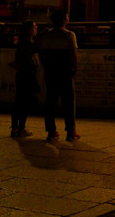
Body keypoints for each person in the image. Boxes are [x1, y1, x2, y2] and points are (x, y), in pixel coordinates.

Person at [38, 9, 78, 142]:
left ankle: (51, 131)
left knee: (50, 101)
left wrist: (46, 68)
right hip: (65, 71)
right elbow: (73, 54)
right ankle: (70, 131)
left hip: (51, 71)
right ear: (64, 20)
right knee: (68, 102)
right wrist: (74, 69)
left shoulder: (46, 35)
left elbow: (42, 54)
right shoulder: (69, 35)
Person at [10, 21, 41, 138]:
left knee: (19, 101)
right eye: (34, 27)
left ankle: (15, 127)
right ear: (29, 30)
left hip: (23, 74)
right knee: (23, 102)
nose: (36, 29)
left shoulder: (23, 43)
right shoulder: (28, 44)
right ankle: (20, 127)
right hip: (27, 74)